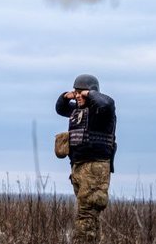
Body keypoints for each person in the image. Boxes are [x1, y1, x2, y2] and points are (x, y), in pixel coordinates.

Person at [55, 74, 117, 244]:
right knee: (88, 214)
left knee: (86, 214)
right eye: (76, 92)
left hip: (95, 168)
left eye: (81, 93)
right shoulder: (78, 111)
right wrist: (66, 96)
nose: (78, 96)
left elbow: (107, 103)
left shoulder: (102, 112)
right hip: (78, 167)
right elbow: (60, 108)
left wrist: (88, 93)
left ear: (92, 92)